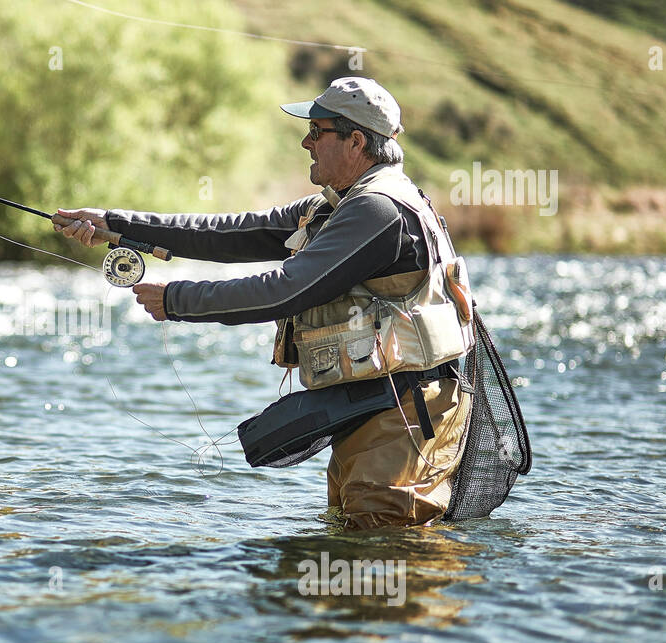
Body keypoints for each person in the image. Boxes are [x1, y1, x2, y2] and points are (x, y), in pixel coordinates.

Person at [54, 77, 473, 529]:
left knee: (389, 546)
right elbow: (229, 232)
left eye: (317, 131)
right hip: (376, 404)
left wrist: (179, 299)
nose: (305, 142)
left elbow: (287, 289)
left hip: (407, 411)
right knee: (357, 538)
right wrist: (114, 224)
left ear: (355, 141)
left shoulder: (379, 211)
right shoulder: (337, 206)